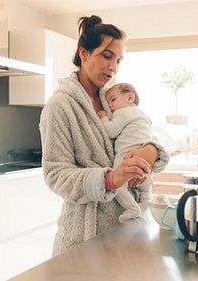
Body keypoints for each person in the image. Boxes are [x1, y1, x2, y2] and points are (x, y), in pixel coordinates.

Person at [39, 15, 170, 256]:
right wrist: (110, 179)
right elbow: (55, 174)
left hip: (127, 234)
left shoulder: (111, 100)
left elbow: (139, 128)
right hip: (83, 241)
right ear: (84, 53)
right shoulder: (60, 106)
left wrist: (150, 150)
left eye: (119, 60)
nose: (114, 67)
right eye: (107, 56)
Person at [97, 82, 155, 223]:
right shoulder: (143, 115)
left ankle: (132, 208)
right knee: (146, 192)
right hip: (146, 161)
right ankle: (143, 207)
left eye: (113, 99)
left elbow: (111, 131)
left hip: (127, 156)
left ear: (130, 97)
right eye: (109, 101)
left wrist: (104, 117)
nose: (110, 105)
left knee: (118, 187)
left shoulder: (123, 112)